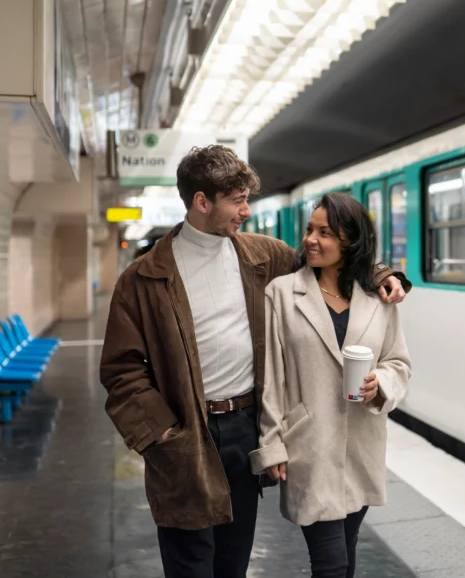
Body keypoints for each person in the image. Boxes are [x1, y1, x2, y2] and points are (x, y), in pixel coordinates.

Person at [98, 146, 411, 578]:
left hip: (244, 428)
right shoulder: (144, 277)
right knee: (189, 559)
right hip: (187, 432)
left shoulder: (262, 255)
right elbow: (121, 370)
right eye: (237, 201)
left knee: (233, 559)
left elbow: (331, 262)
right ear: (202, 202)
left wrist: (381, 276)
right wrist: (161, 433)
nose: (246, 210)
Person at [251, 193, 412, 578]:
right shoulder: (282, 293)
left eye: (325, 232)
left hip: (361, 445)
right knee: (332, 564)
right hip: (308, 445)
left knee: (347, 553)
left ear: (350, 241)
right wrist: (271, 445)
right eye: (310, 229)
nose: (311, 239)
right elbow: (272, 377)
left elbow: (398, 362)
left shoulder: (378, 298)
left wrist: (382, 383)